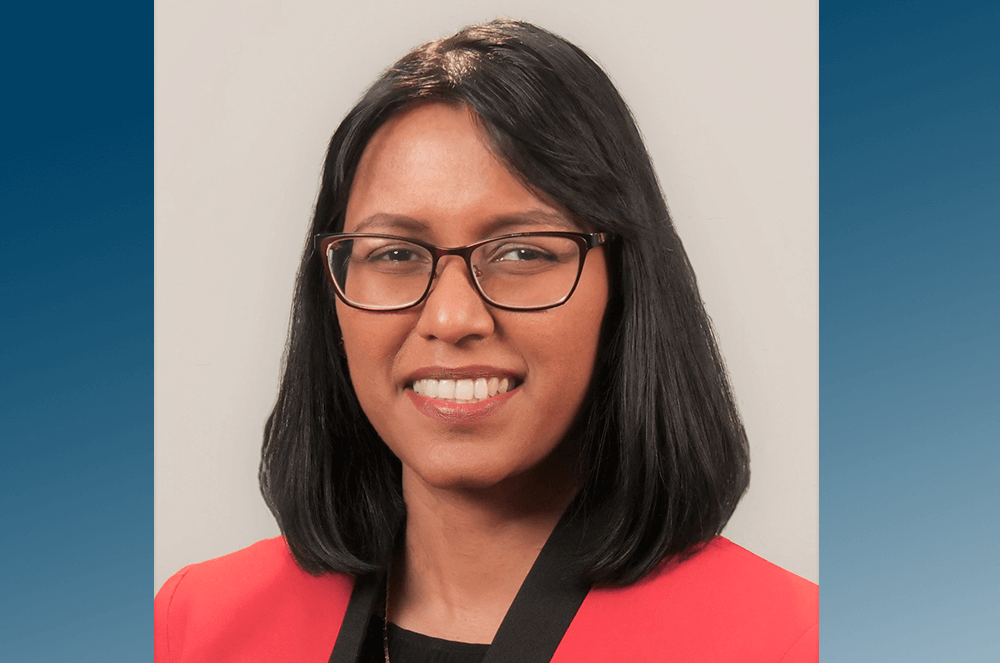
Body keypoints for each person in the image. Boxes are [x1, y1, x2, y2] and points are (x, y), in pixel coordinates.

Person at [155, 19, 817, 663]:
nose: (452, 317)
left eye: (524, 250)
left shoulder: (788, 642)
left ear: (624, 286)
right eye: (394, 253)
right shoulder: (195, 626)